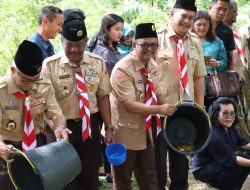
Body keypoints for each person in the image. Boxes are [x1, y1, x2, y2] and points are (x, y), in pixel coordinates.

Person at [42, 8, 114, 190]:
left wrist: (109, 126)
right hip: (61, 126)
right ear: (62, 41)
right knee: (62, 176)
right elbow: (44, 103)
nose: (74, 49)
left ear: (86, 42)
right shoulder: (50, 65)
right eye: (69, 44)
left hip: (90, 124)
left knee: (89, 173)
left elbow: (103, 97)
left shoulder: (97, 63)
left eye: (80, 44)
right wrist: (56, 128)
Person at [110, 22, 176, 190]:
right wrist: (159, 110)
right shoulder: (122, 69)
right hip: (125, 132)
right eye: (144, 44)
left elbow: (157, 94)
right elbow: (130, 105)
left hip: (146, 130)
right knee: (123, 179)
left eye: (153, 44)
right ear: (134, 45)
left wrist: (171, 108)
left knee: (149, 177)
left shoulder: (152, 65)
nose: (149, 49)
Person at [0, 40, 69, 190]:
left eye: (35, 79)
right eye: (25, 80)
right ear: (13, 70)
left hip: (38, 147)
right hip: (8, 151)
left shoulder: (43, 84)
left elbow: (56, 114)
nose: (31, 85)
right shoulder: (1, 90)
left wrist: (60, 128)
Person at [156, 0, 207, 189]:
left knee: (181, 163)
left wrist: (200, 109)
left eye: (191, 18)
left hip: (186, 113)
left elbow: (199, 76)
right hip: (160, 111)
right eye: (183, 16)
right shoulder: (156, 38)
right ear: (172, 14)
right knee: (158, 164)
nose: (187, 21)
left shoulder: (195, 42)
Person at [192, 97, 250, 190]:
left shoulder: (230, 128)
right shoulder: (214, 135)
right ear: (216, 114)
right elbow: (233, 159)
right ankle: (217, 184)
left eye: (232, 113)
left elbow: (245, 144)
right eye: (225, 113)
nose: (230, 116)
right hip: (203, 168)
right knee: (234, 167)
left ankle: (235, 187)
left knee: (246, 161)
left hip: (219, 161)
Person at [224, 0, 250, 139]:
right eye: (234, 11)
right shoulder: (221, 32)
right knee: (237, 109)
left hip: (243, 76)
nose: (237, 14)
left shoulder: (236, 31)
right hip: (231, 80)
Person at [193, 10, 227, 110]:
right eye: (198, 24)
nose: (202, 27)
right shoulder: (187, 40)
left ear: (209, 25)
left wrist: (217, 63)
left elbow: (224, 62)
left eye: (205, 24)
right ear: (193, 25)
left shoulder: (217, 42)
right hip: (191, 85)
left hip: (211, 87)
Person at [208, 0, 235, 68]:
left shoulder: (228, 30)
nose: (221, 13)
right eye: (219, 8)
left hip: (221, 72)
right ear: (210, 8)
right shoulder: (200, 26)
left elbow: (231, 55)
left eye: (225, 10)